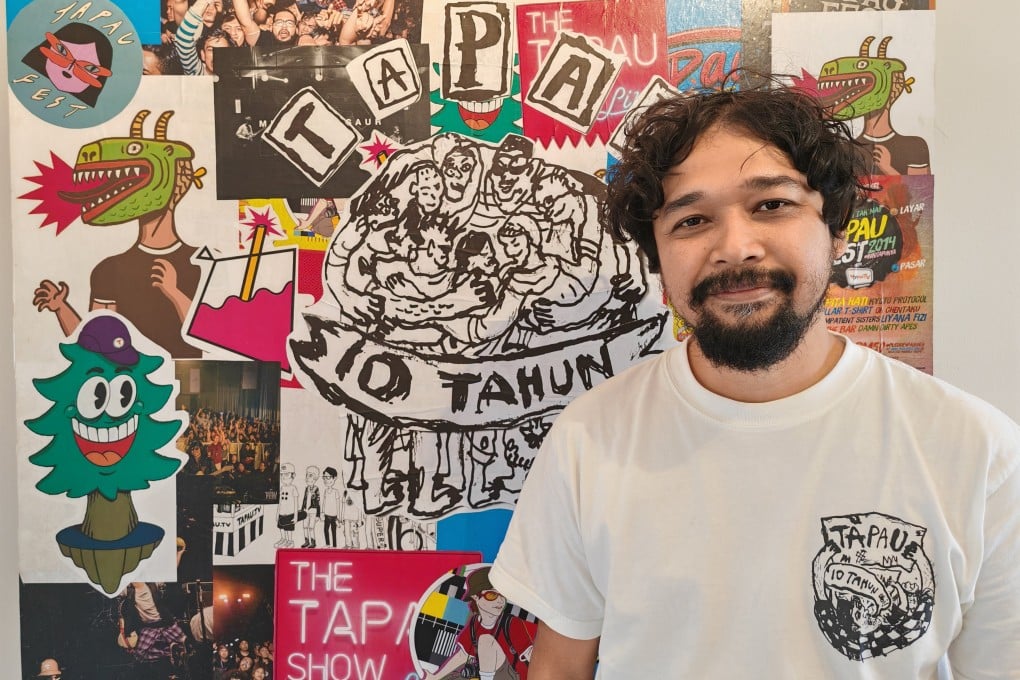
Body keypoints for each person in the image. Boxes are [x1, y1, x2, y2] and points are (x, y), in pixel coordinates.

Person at [489, 82, 1020, 677]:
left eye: (772, 205)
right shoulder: (589, 439)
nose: (735, 247)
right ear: (660, 262)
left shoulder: (979, 453)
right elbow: (561, 667)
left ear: (836, 230)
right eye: (691, 220)